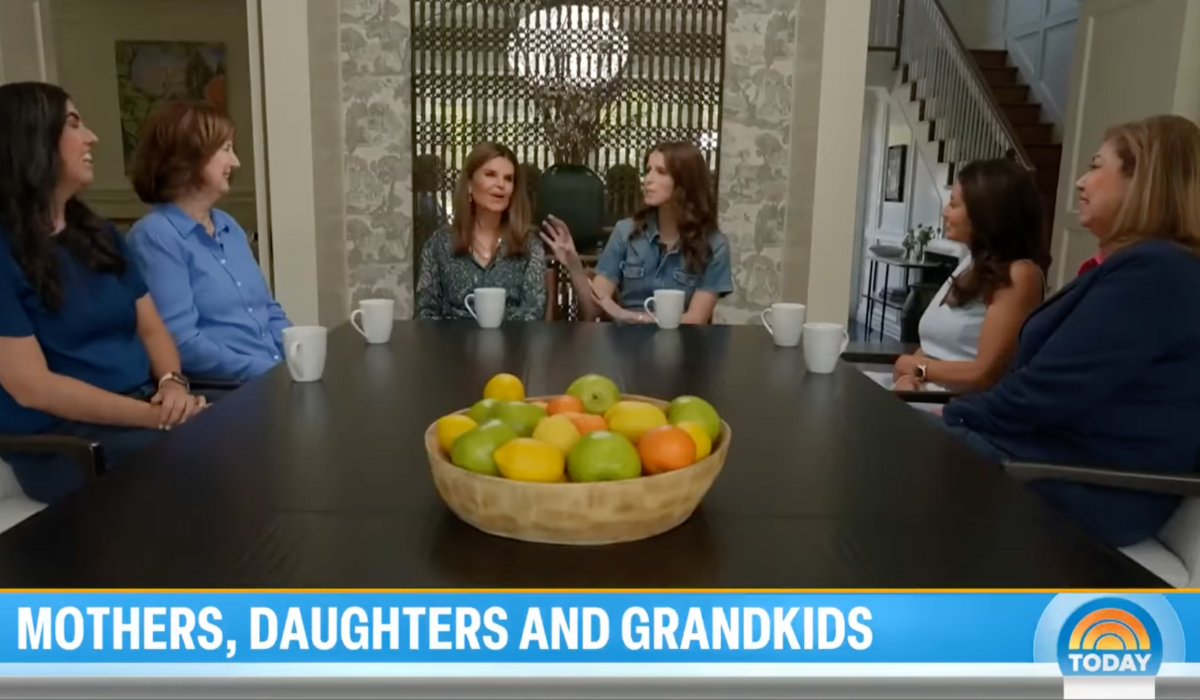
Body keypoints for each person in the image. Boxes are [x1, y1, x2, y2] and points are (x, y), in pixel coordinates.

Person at [942, 114, 1200, 548]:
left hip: (1090, 486)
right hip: (1045, 459)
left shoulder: (1158, 273)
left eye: (1097, 166)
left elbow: (1045, 392)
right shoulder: (1137, 269)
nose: (1080, 182)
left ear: (1144, 183)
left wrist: (955, 414)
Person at [0, 83, 207, 504]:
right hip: (67, 446)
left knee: (267, 423)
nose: (91, 137)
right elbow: (32, 388)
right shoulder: (4, 252)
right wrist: (154, 417)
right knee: (218, 459)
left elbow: (151, 329)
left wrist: (172, 386)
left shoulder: (100, 235)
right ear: (31, 141)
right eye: (73, 124)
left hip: (143, 409)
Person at [127, 100, 291, 381]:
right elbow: (183, 344)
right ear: (189, 158)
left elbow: (269, 310)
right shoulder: (155, 236)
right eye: (226, 149)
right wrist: (271, 374)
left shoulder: (228, 224)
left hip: (270, 378)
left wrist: (296, 357)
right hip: (223, 393)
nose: (235, 162)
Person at [891, 159, 1049, 393]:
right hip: (924, 394)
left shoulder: (1020, 275)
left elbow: (983, 375)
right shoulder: (969, 262)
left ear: (985, 213)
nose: (945, 212)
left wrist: (917, 369)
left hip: (963, 411)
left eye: (954, 205)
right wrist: (908, 378)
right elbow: (930, 349)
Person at [541, 142, 733, 324]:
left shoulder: (714, 245)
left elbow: (695, 319)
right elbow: (592, 310)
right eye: (648, 170)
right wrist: (573, 261)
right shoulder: (625, 232)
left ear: (685, 183)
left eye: (661, 172)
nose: (648, 179)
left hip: (684, 347)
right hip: (626, 347)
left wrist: (626, 316)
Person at [416, 142, 546, 321]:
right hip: (450, 347)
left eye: (508, 178)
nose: (501, 184)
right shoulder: (439, 244)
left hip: (512, 347)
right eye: (490, 175)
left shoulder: (529, 245)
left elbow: (533, 313)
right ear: (469, 184)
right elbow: (425, 313)